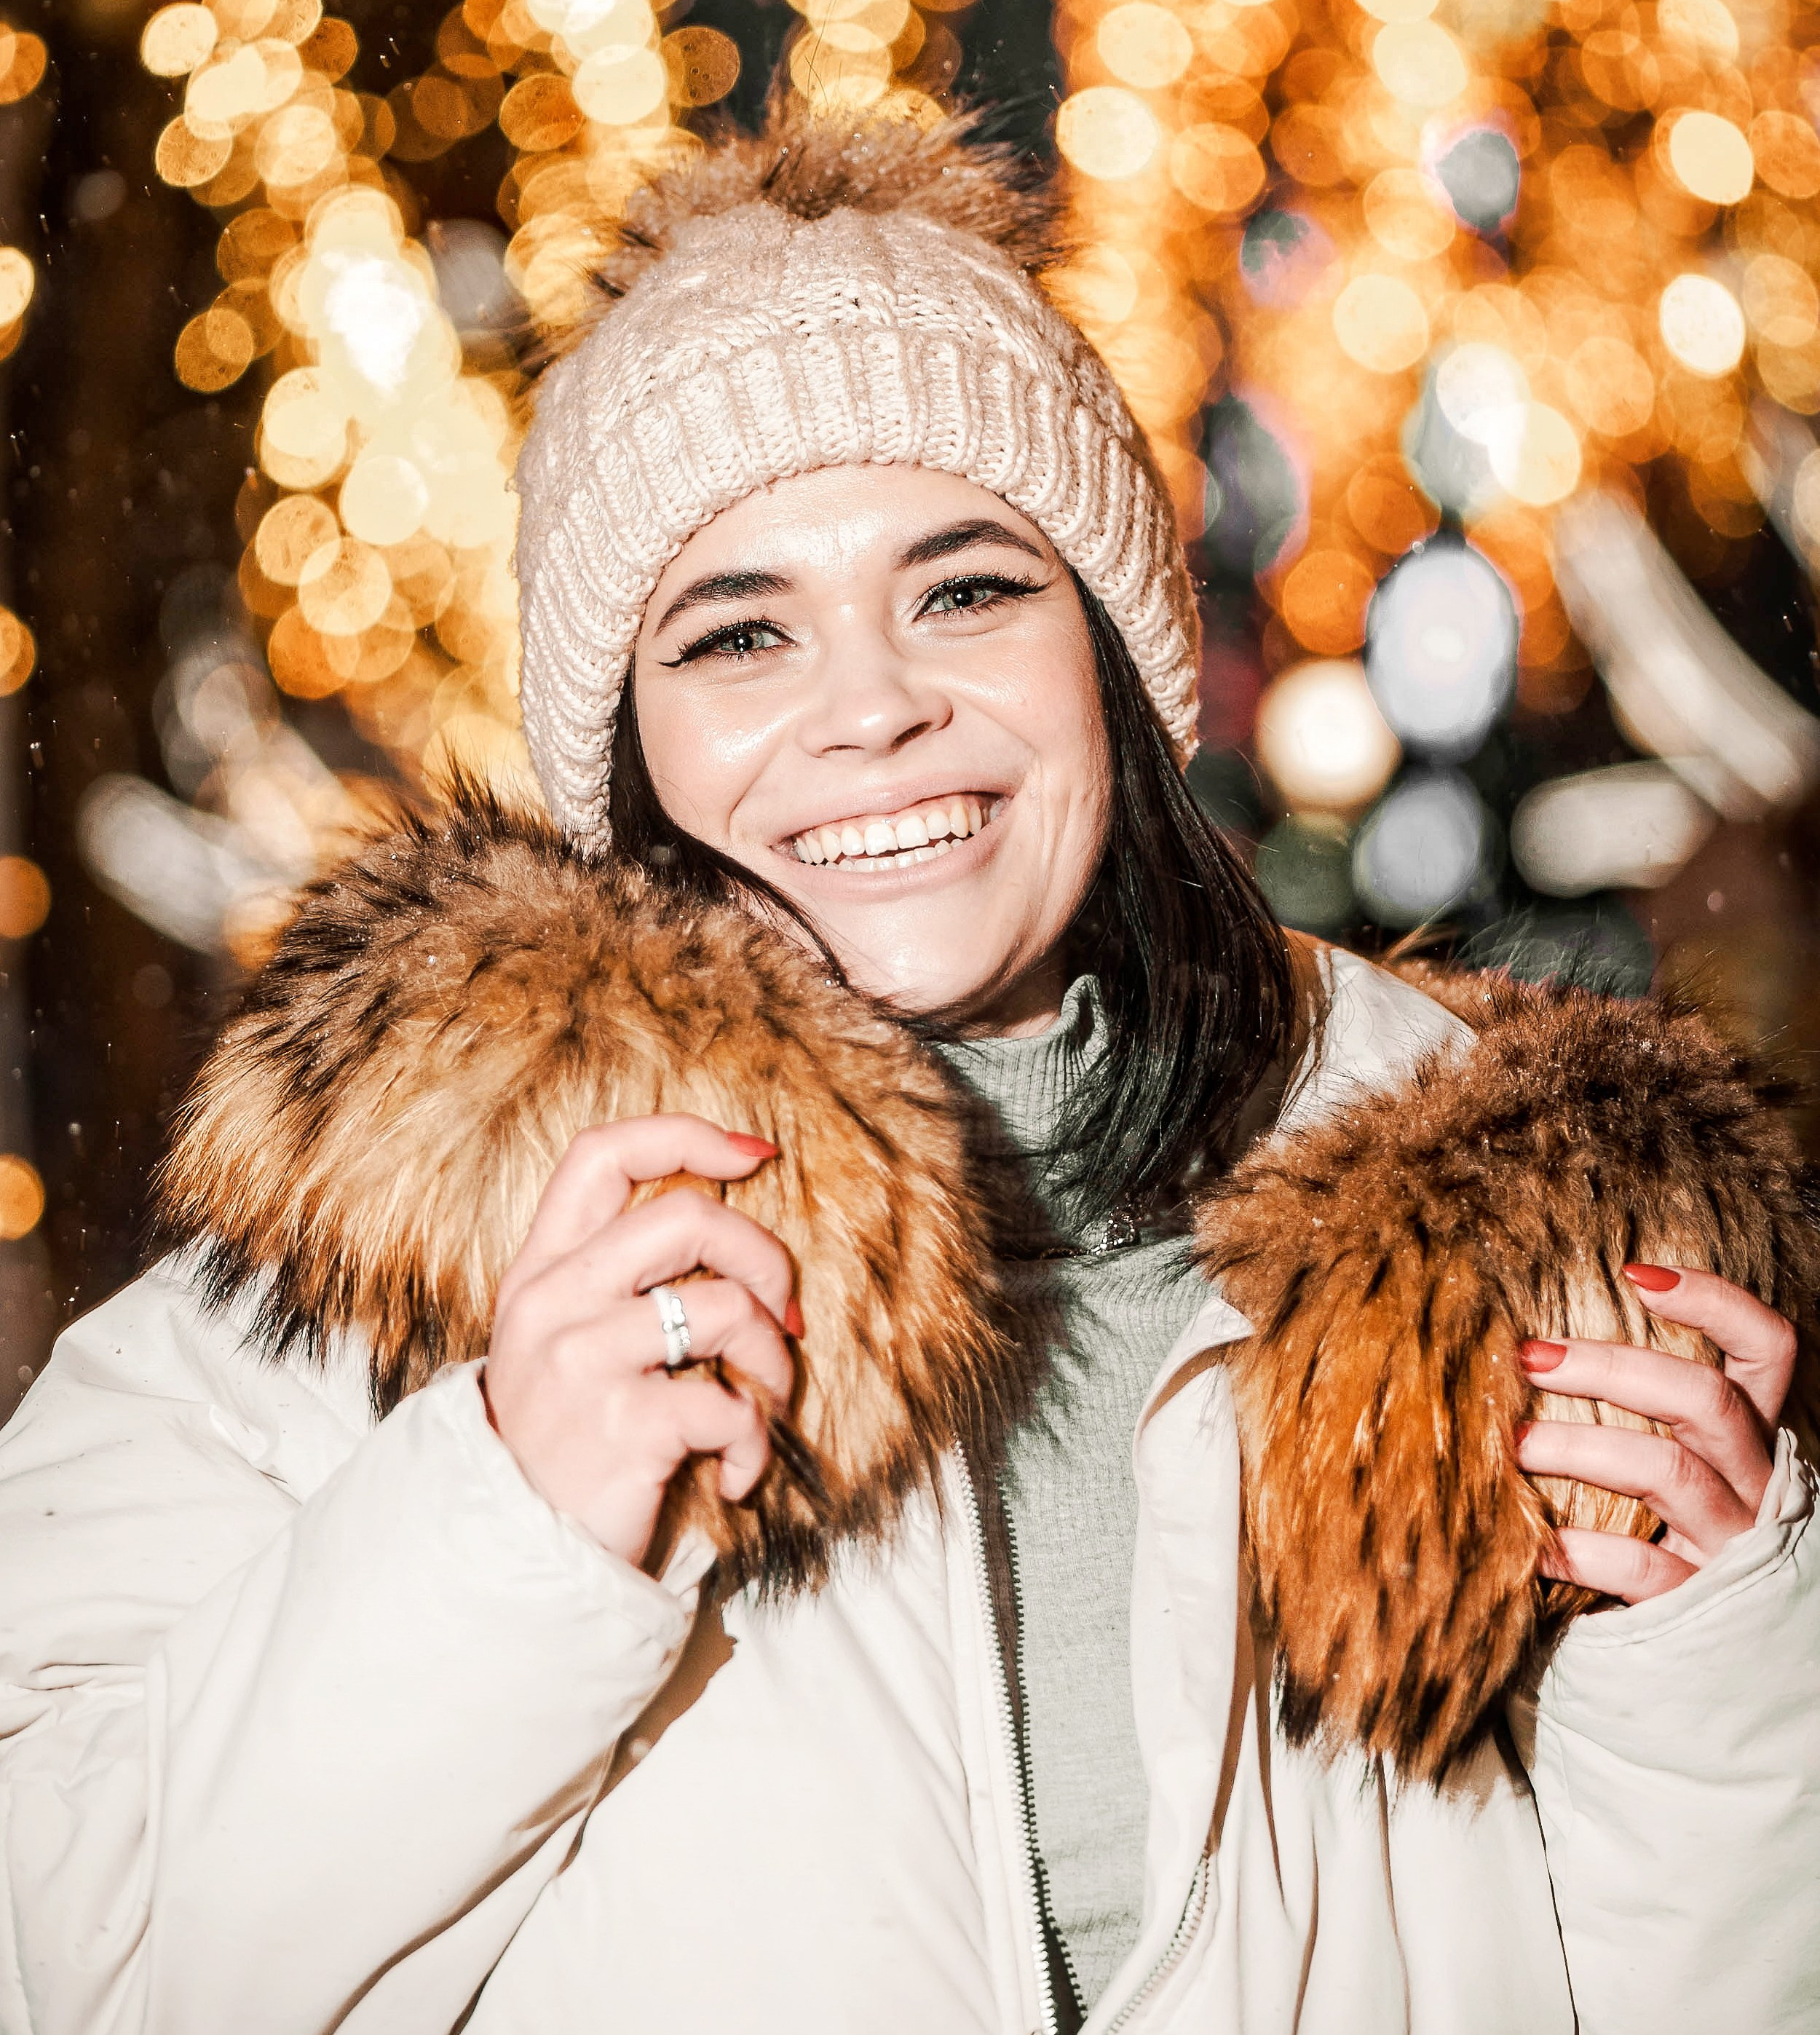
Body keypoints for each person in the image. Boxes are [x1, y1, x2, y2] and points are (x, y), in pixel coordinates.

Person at [0, 106, 1814, 2035]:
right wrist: (504, 1518)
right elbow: (60, 1955)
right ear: (627, 751)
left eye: (964, 588)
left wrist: (1719, 1649)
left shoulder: (1519, 1230)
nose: (868, 706)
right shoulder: (382, 1239)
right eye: (738, 631)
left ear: (1112, 657)